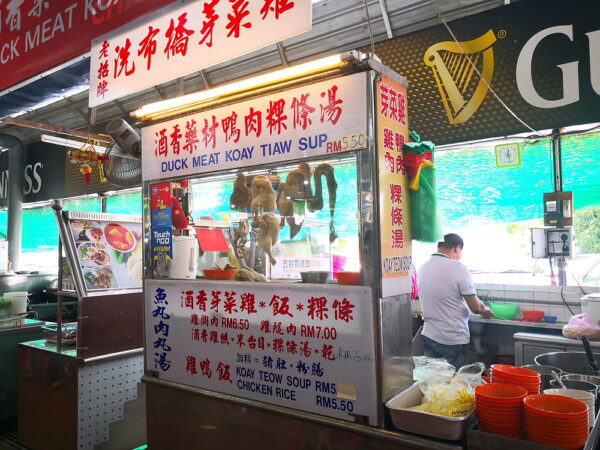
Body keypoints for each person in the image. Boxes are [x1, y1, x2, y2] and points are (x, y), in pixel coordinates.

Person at [417, 233, 493, 368]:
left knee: (435, 379)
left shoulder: (423, 267)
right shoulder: (458, 268)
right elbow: (476, 308)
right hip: (452, 338)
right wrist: (486, 310)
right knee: (456, 381)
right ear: (457, 248)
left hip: (430, 334)